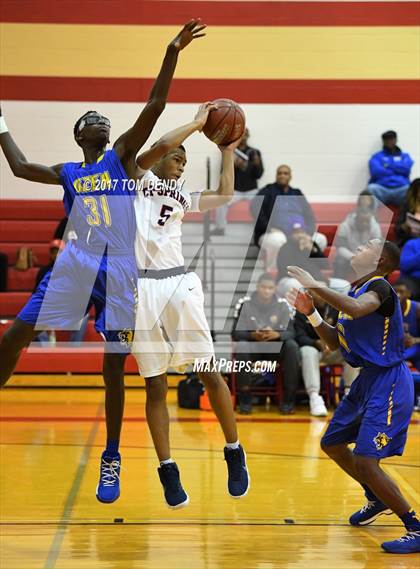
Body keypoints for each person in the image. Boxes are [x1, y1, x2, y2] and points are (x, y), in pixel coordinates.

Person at [0, 20, 206, 505]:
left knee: (113, 368)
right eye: (89, 117)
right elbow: (17, 165)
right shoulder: (68, 172)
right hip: (73, 266)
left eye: (102, 116)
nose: (99, 118)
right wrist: (1, 123)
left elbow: (154, 107)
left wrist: (171, 51)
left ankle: (111, 454)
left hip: (118, 273)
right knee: (13, 338)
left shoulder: (119, 158)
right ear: (78, 135)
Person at [128, 105, 249, 508]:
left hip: (177, 281)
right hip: (140, 288)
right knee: (155, 383)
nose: (181, 162)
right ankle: (167, 468)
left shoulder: (184, 195)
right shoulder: (135, 178)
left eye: (185, 159)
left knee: (208, 370)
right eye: (178, 156)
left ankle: (233, 450)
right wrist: (198, 125)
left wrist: (228, 149)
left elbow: (227, 195)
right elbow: (162, 142)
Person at [286, 239, 420, 554]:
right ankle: (376, 498)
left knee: (366, 461)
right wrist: (313, 315)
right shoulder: (353, 291)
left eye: (368, 246)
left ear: (381, 260)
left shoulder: (380, 289)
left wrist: (315, 286)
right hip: (366, 381)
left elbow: (359, 310)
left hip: (388, 381)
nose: (359, 247)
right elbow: (334, 343)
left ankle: (414, 526)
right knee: (331, 443)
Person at [231, 273, 300, 414]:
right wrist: (252, 335)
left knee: (291, 345)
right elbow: (235, 333)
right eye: (263, 287)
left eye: (270, 288)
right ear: (257, 286)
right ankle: (245, 399)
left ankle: (288, 400)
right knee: (242, 346)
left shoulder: (283, 305)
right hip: (254, 347)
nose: (266, 291)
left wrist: (277, 335)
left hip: (275, 349)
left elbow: (292, 332)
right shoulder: (245, 303)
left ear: (275, 288)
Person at [294, 289, 359, 416]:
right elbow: (299, 336)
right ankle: (314, 397)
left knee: (351, 346)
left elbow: (346, 330)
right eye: (311, 292)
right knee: (307, 350)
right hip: (314, 352)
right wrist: (316, 343)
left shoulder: (336, 309)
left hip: (333, 351)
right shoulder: (301, 311)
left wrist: (333, 343)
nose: (314, 295)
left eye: (318, 292)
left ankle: (349, 394)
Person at [251, 165, 327, 271]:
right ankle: (273, 272)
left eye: (285, 173)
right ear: (276, 175)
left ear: (290, 176)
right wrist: (269, 228)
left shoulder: (297, 193)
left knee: (320, 239)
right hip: (275, 232)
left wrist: (307, 233)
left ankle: (312, 269)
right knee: (278, 239)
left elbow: (309, 215)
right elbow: (255, 208)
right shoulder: (268, 190)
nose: (282, 175)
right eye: (279, 173)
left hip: (300, 233)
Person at [212, 127, 263, 236]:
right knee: (221, 201)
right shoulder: (230, 151)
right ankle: (220, 228)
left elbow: (259, 175)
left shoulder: (254, 152)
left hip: (251, 190)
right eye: (241, 134)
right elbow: (222, 173)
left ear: (248, 136)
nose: (243, 136)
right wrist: (230, 164)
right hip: (235, 190)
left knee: (264, 201)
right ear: (237, 135)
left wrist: (257, 165)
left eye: (246, 134)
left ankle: (261, 230)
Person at [276, 222, 327, 295]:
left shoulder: (310, 246)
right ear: (290, 235)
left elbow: (325, 265)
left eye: (302, 232)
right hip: (289, 280)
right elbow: (289, 270)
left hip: (312, 279)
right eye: (296, 233)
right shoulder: (285, 248)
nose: (300, 235)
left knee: (342, 284)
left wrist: (313, 250)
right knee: (295, 285)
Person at [367, 130, 414, 206]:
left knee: (412, 189)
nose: (389, 141)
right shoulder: (376, 156)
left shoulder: (405, 156)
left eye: (391, 139)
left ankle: (409, 217)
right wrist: (398, 169)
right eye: (386, 139)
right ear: (383, 141)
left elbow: (406, 169)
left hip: (401, 189)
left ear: (396, 140)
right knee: (371, 188)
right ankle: (373, 217)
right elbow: (376, 172)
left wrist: (387, 165)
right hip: (382, 189)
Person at [334, 207, 382, 279]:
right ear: (356, 219)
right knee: (339, 261)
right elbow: (340, 248)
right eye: (362, 221)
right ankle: (339, 284)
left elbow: (378, 248)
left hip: (367, 257)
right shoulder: (345, 226)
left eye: (367, 221)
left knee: (380, 262)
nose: (364, 223)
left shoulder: (375, 226)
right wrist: (355, 257)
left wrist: (366, 257)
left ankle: (376, 285)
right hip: (350, 257)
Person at [394, 279, 420, 372]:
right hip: (396, 347)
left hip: (415, 347)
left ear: (409, 294)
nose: (397, 295)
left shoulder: (417, 309)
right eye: (395, 292)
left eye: (401, 292)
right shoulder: (389, 309)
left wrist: (414, 340)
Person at [395, 178, 420, 247]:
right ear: (415, 191)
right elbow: (398, 229)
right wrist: (405, 226)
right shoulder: (406, 205)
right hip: (409, 240)